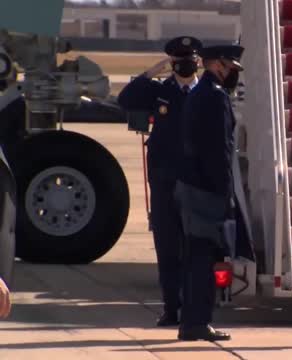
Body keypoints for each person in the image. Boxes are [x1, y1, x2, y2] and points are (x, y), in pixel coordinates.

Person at [118, 36, 203, 327]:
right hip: (165, 182)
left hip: (196, 182)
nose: (186, 64)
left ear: (198, 62)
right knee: (168, 247)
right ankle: (171, 308)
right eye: (179, 60)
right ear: (172, 63)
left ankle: (194, 309)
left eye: (190, 59)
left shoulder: (207, 92)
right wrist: (150, 73)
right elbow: (125, 99)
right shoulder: (159, 91)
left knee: (196, 248)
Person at [173, 44, 245, 342]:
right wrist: (224, 193)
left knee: (195, 258)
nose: (232, 75)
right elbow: (219, 151)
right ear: (217, 64)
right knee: (204, 259)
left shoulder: (199, 94)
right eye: (230, 68)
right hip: (206, 190)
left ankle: (192, 319)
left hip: (192, 186)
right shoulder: (214, 97)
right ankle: (197, 322)